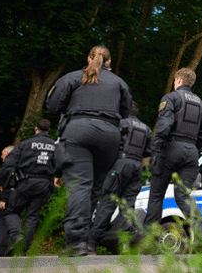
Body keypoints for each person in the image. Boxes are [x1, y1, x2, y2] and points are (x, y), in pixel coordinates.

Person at [46, 45, 133, 256]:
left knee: (80, 186)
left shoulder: (73, 77)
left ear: (88, 58)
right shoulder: (120, 83)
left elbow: (52, 105)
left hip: (78, 132)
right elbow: (126, 111)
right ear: (109, 62)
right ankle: (86, 240)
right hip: (110, 135)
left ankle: (76, 241)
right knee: (94, 187)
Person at [144, 68, 202, 238]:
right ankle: (201, 229)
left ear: (179, 80)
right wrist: (195, 149)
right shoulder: (200, 104)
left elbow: (164, 126)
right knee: (182, 195)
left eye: (174, 81)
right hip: (191, 152)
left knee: (157, 194)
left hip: (171, 149)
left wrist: (155, 150)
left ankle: (148, 237)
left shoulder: (171, 98)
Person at [88, 102, 152, 253]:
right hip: (137, 167)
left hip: (119, 164)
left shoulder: (120, 123)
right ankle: (124, 243)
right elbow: (149, 151)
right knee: (128, 206)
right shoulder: (146, 129)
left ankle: (92, 243)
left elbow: (109, 142)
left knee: (108, 202)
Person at [0, 119, 56, 255]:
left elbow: (9, 164)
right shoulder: (56, 146)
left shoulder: (26, 144)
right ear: (49, 130)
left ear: (35, 129)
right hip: (44, 185)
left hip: (25, 183)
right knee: (32, 217)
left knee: (10, 211)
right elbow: (62, 163)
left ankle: (17, 237)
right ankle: (23, 249)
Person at [0, 145, 20, 257]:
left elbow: (10, 185)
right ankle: (1, 251)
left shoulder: (11, 167)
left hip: (8, 200)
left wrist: (3, 198)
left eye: (3, 153)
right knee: (2, 224)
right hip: (10, 199)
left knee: (4, 224)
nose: (1, 156)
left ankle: (3, 251)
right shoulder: (18, 165)